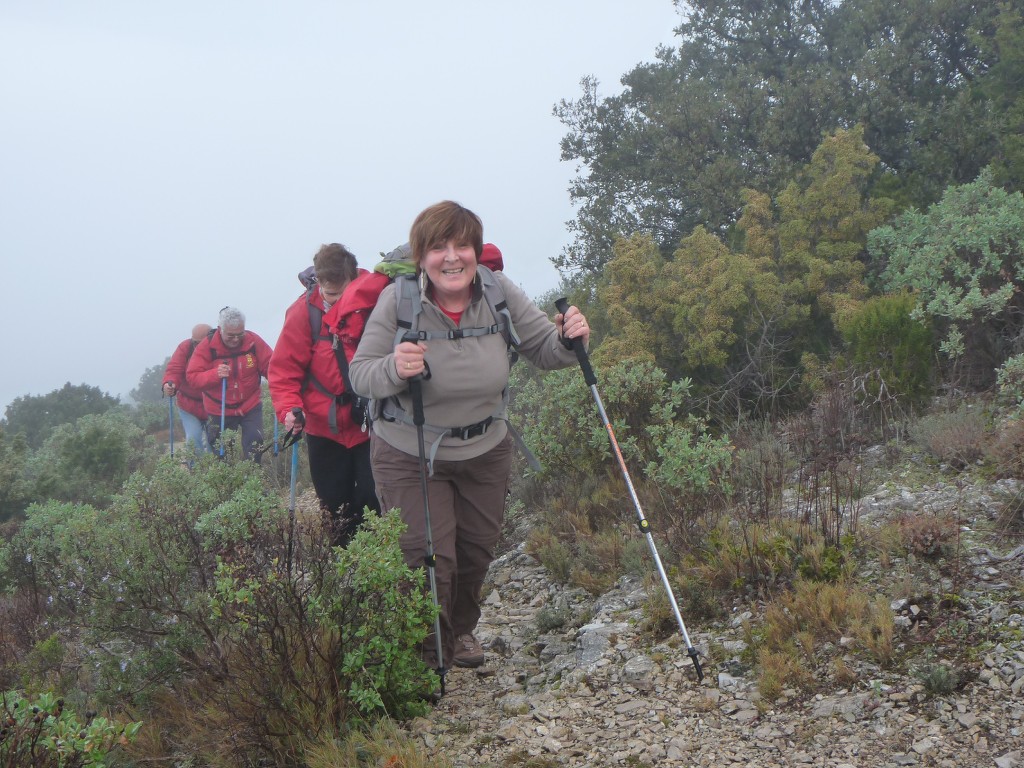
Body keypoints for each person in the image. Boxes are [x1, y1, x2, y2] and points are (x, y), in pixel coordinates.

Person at [349, 200, 591, 675]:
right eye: (438, 247)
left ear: (477, 252)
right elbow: (360, 374)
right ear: (421, 257)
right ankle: (426, 657)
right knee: (424, 555)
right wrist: (395, 368)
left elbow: (545, 348)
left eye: (462, 245)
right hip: (408, 450)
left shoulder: (499, 292)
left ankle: (459, 631)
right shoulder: (396, 301)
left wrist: (567, 339)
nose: (452, 257)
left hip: (486, 448)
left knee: (476, 551)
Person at [268, 243, 379, 546]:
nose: (334, 301)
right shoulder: (303, 312)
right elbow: (284, 370)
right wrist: (290, 409)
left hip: (372, 421)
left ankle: (377, 558)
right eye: (328, 294)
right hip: (322, 425)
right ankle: (345, 561)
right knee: (333, 501)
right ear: (317, 281)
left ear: (354, 278)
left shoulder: (376, 301)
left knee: (375, 494)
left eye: (341, 293)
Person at [186, 307, 273, 462]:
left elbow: (272, 367)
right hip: (219, 409)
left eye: (240, 334)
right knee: (222, 453)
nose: (236, 339)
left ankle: (253, 482)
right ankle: (227, 484)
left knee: (255, 444)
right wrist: (215, 374)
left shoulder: (253, 342)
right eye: (231, 335)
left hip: (250, 405)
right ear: (220, 329)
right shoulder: (207, 347)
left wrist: (281, 384)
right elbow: (192, 378)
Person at [162, 323, 213, 454]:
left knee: (214, 440)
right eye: (195, 342)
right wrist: (169, 384)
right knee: (193, 439)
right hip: (188, 405)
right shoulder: (185, 348)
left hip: (213, 405)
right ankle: (196, 471)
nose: (197, 347)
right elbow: (174, 369)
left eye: (201, 343)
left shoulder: (219, 349)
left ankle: (216, 471)